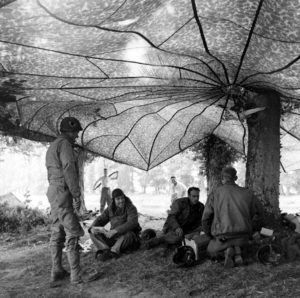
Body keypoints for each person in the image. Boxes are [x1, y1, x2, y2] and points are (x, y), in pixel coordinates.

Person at [46, 117, 98, 285]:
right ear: (68, 131)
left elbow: (51, 173)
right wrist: (76, 194)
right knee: (73, 232)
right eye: (75, 132)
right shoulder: (65, 145)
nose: (76, 136)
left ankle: (57, 271)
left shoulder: (53, 146)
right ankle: (76, 276)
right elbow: (69, 169)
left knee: (57, 232)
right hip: (63, 192)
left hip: (54, 192)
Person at [201, 166, 264, 268]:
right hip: (243, 236)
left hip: (223, 238)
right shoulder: (248, 193)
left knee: (210, 251)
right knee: (247, 246)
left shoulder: (215, 193)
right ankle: (238, 251)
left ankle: (227, 252)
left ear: (222, 178)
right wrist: (253, 229)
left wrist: (210, 236)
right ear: (236, 178)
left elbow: (205, 218)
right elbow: (260, 213)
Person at [89, 188, 141, 261]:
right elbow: (100, 219)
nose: (121, 201)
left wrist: (115, 231)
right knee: (92, 232)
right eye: (118, 199)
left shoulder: (131, 207)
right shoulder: (110, 208)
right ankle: (105, 250)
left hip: (126, 238)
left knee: (130, 234)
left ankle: (113, 252)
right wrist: (92, 228)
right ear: (113, 200)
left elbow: (132, 223)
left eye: (122, 198)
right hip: (113, 238)